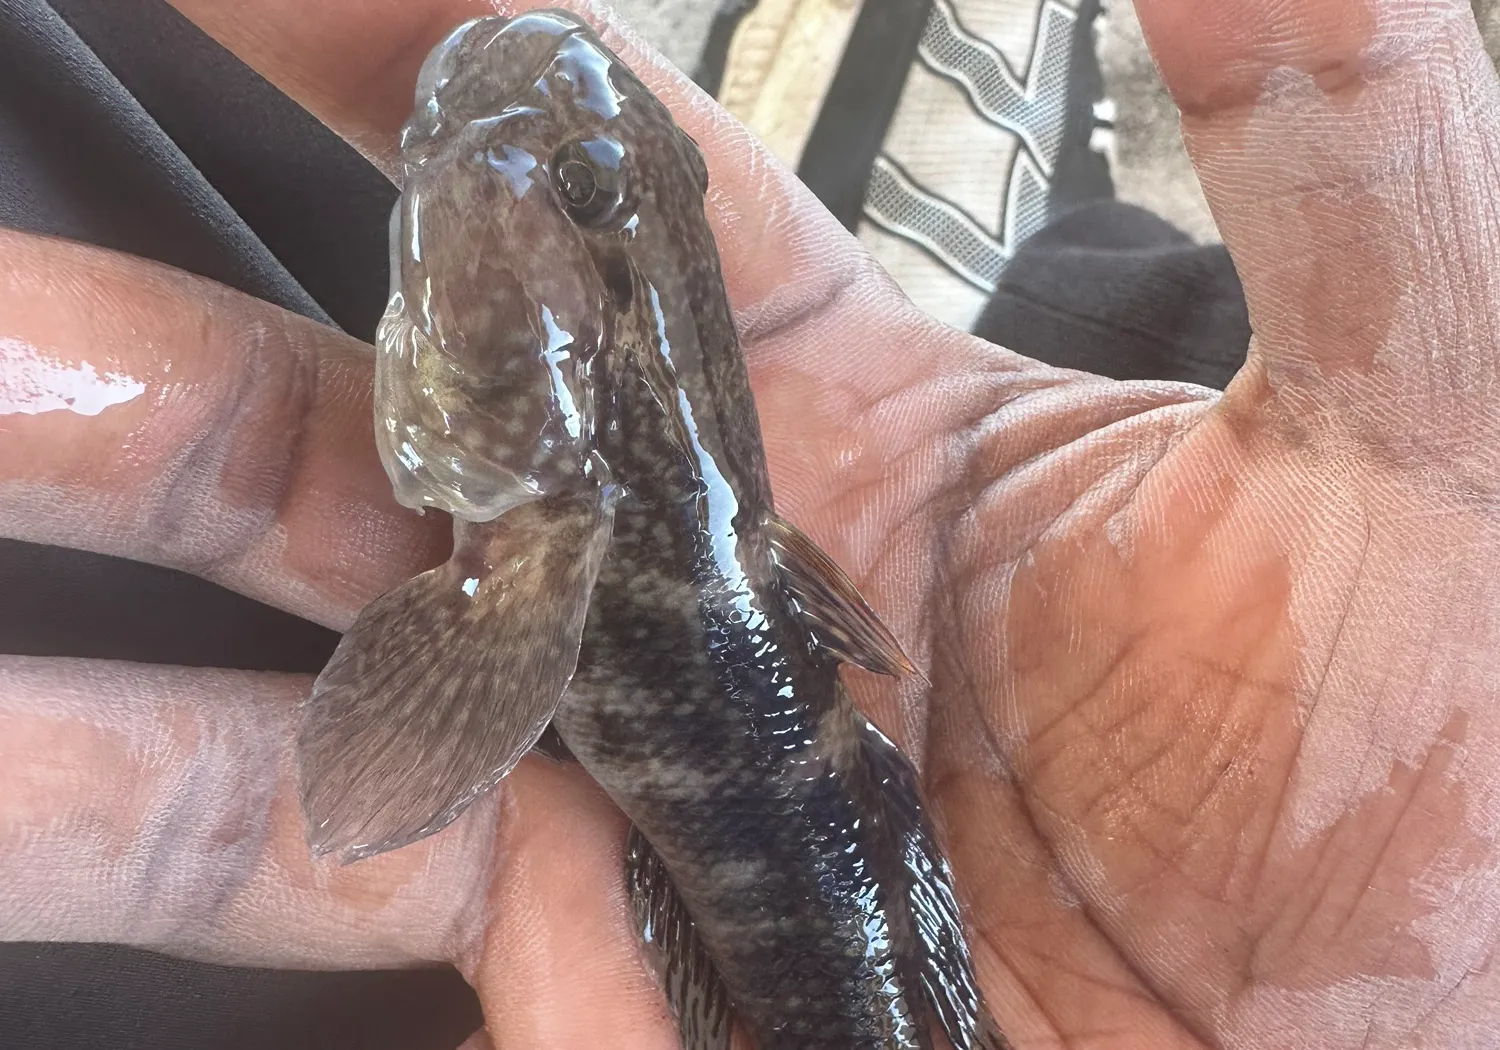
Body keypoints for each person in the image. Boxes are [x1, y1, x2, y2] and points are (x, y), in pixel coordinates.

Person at [3, 0, 1498, 1047]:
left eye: (592, 187)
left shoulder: (558, 525)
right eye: (606, 188)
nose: (556, 168)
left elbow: (391, 756)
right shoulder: (571, 505)